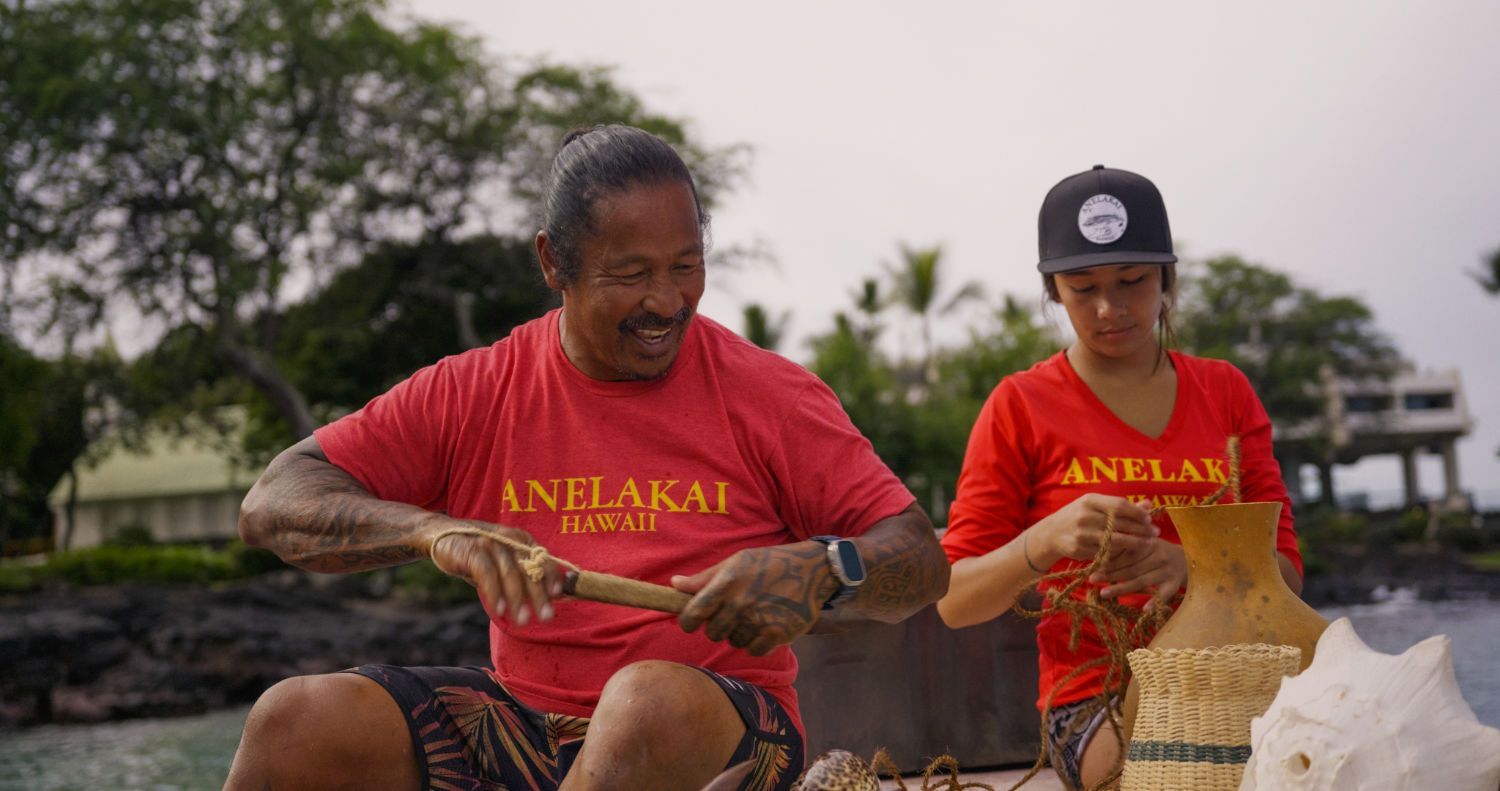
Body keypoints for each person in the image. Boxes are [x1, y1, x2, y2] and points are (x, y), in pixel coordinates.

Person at [224, 125, 949, 791]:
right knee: (293, 720)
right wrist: (434, 531)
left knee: (643, 701)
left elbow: (921, 557)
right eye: (631, 274)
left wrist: (828, 567)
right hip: (520, 725)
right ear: (552, 262)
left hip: (722, 731)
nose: (666, 300)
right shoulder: (476, 389)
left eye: (686, 265)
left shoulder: (771, 393)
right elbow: (273, 503)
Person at [935, 166, 1302, 790]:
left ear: (1166, 277)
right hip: (1094, 698)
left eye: (1132, 281)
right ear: (1054, 292)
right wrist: (1042, 542)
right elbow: (953, 600)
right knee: (1164, 772)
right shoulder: (1020, 404)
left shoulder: (1225, 392)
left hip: (1240, 672)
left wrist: (1194, 565)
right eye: (1083, 288)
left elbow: (1288, 574)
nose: (1110, 308)